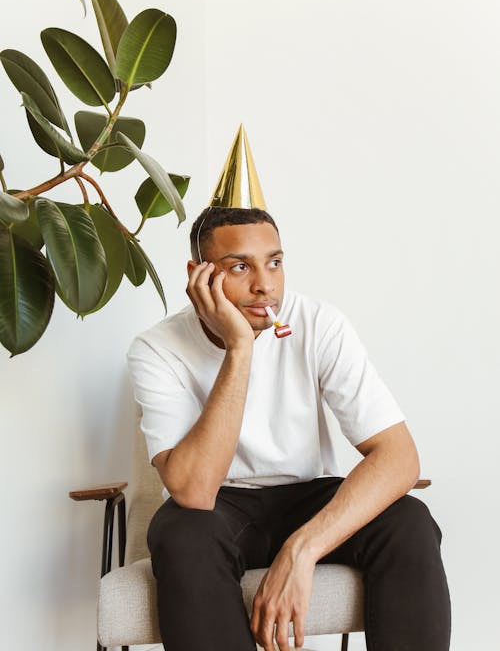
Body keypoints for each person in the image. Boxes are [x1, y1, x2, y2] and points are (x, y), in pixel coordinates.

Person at [127, 127, 451, 651]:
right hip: (219, 510)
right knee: (180, 532)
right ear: (197, 275)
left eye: (274, 262)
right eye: (240, 267)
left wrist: (301, 550)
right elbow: (193, 490)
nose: (265, 285)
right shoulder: (156, 348)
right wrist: (240, 349)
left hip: (306, 496)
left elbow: (399, 457)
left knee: (409, 520)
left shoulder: (319, 323)